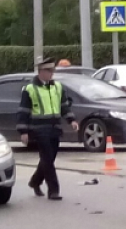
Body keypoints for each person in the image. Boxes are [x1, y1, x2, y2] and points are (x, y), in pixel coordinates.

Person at [17, 56, 79, 201]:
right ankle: (54, 191)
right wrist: (23, 131)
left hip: (55, 127)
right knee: (47, 159)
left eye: (52, 71)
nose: (51, 73)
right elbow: (23, 111)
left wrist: (72, 120)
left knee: (49, 158)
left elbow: (64, 106)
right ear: (41, 72)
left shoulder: (57, 87)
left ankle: (35, 182)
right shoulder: (30, 89)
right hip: (39, 128)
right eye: (49, 71)